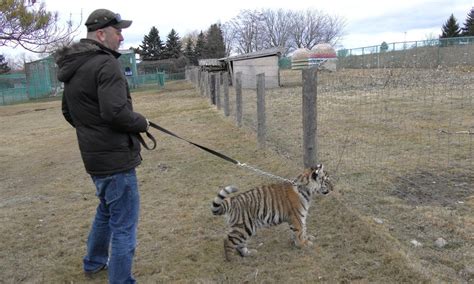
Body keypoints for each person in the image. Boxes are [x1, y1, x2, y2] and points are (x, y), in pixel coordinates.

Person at [55, 8, 149, 283]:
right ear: (101, 33)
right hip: (115, 161)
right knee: (124, 227)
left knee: (107, 211)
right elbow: (115, 113)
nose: (121, 37)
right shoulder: (106, 64)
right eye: (118, 31)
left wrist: (92, 134)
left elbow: (68, 112)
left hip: (95, 159)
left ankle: (94, 262)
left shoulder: (74, 66)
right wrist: (141, 122)